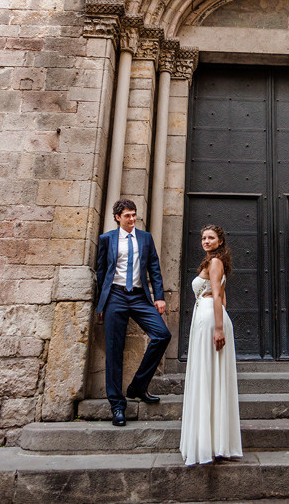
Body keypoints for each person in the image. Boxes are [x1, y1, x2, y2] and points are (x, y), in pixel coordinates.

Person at [95, 198, 171, 427]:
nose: (132, 219)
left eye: (134, 214)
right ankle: (117, 406)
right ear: (117, 217)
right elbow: (101, 272)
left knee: (162, 335)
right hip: (115, 296)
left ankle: (138, 386)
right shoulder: (107, 239)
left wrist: (159, 296)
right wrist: (102, 303)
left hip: (139, 296)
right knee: (114, 351)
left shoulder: (145, 238)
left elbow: (154, 268)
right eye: (127, 215)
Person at [179, 224, 243, 465]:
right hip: (207, 315)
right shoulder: (214, 262)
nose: (206, 241)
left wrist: (218, 327)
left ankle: (209, 443)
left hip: (209, 318)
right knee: (210, 375)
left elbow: (218, 295)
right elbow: (222, 296)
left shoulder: (215, 262)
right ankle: (213, 442)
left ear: (220, 241)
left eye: (211, 238)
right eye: (203, 238)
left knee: (208, 375)